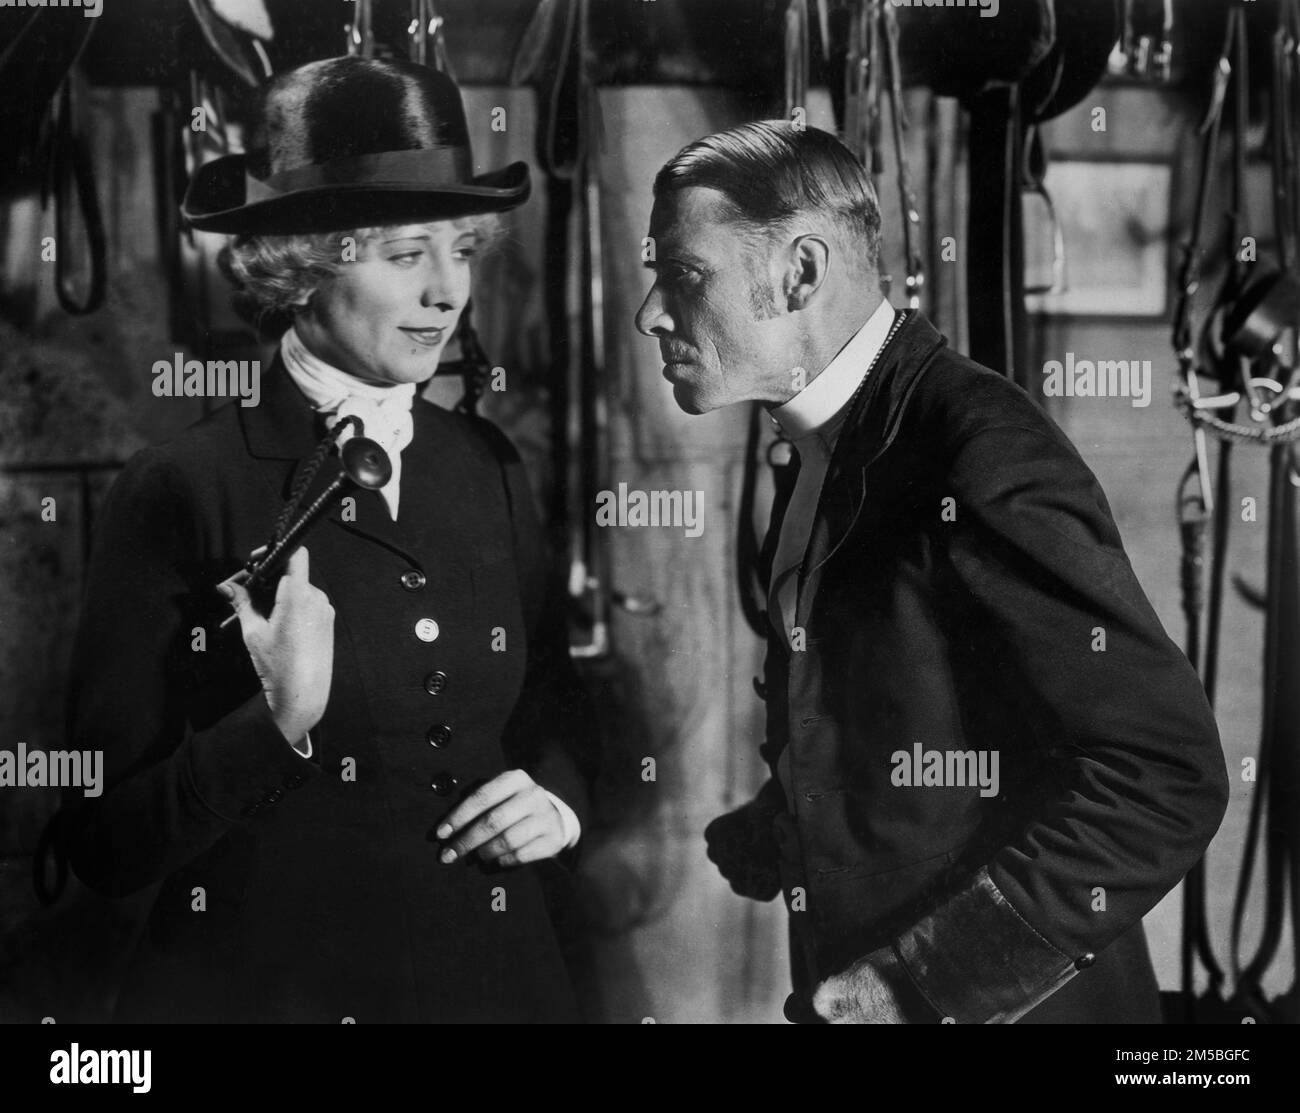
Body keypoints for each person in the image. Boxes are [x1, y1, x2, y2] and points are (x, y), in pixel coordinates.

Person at [636, 121, 1229, 1024]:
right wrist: (789, 809)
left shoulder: (977, 447)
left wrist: (915, 985)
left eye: (683, 274)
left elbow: (1163, 776)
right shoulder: (818, 447)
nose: (651, 312)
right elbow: (921, 699)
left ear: (799, 272)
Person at [55, 56, 597, 1023]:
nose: (447, 293)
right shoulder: (182, 486)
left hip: (495, 985)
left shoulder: (489, 464)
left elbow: (553, 719)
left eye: (461, 249)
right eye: (405, 255)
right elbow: (102, 843)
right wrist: (274, 725)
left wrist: (553, 805)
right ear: (302, 266)